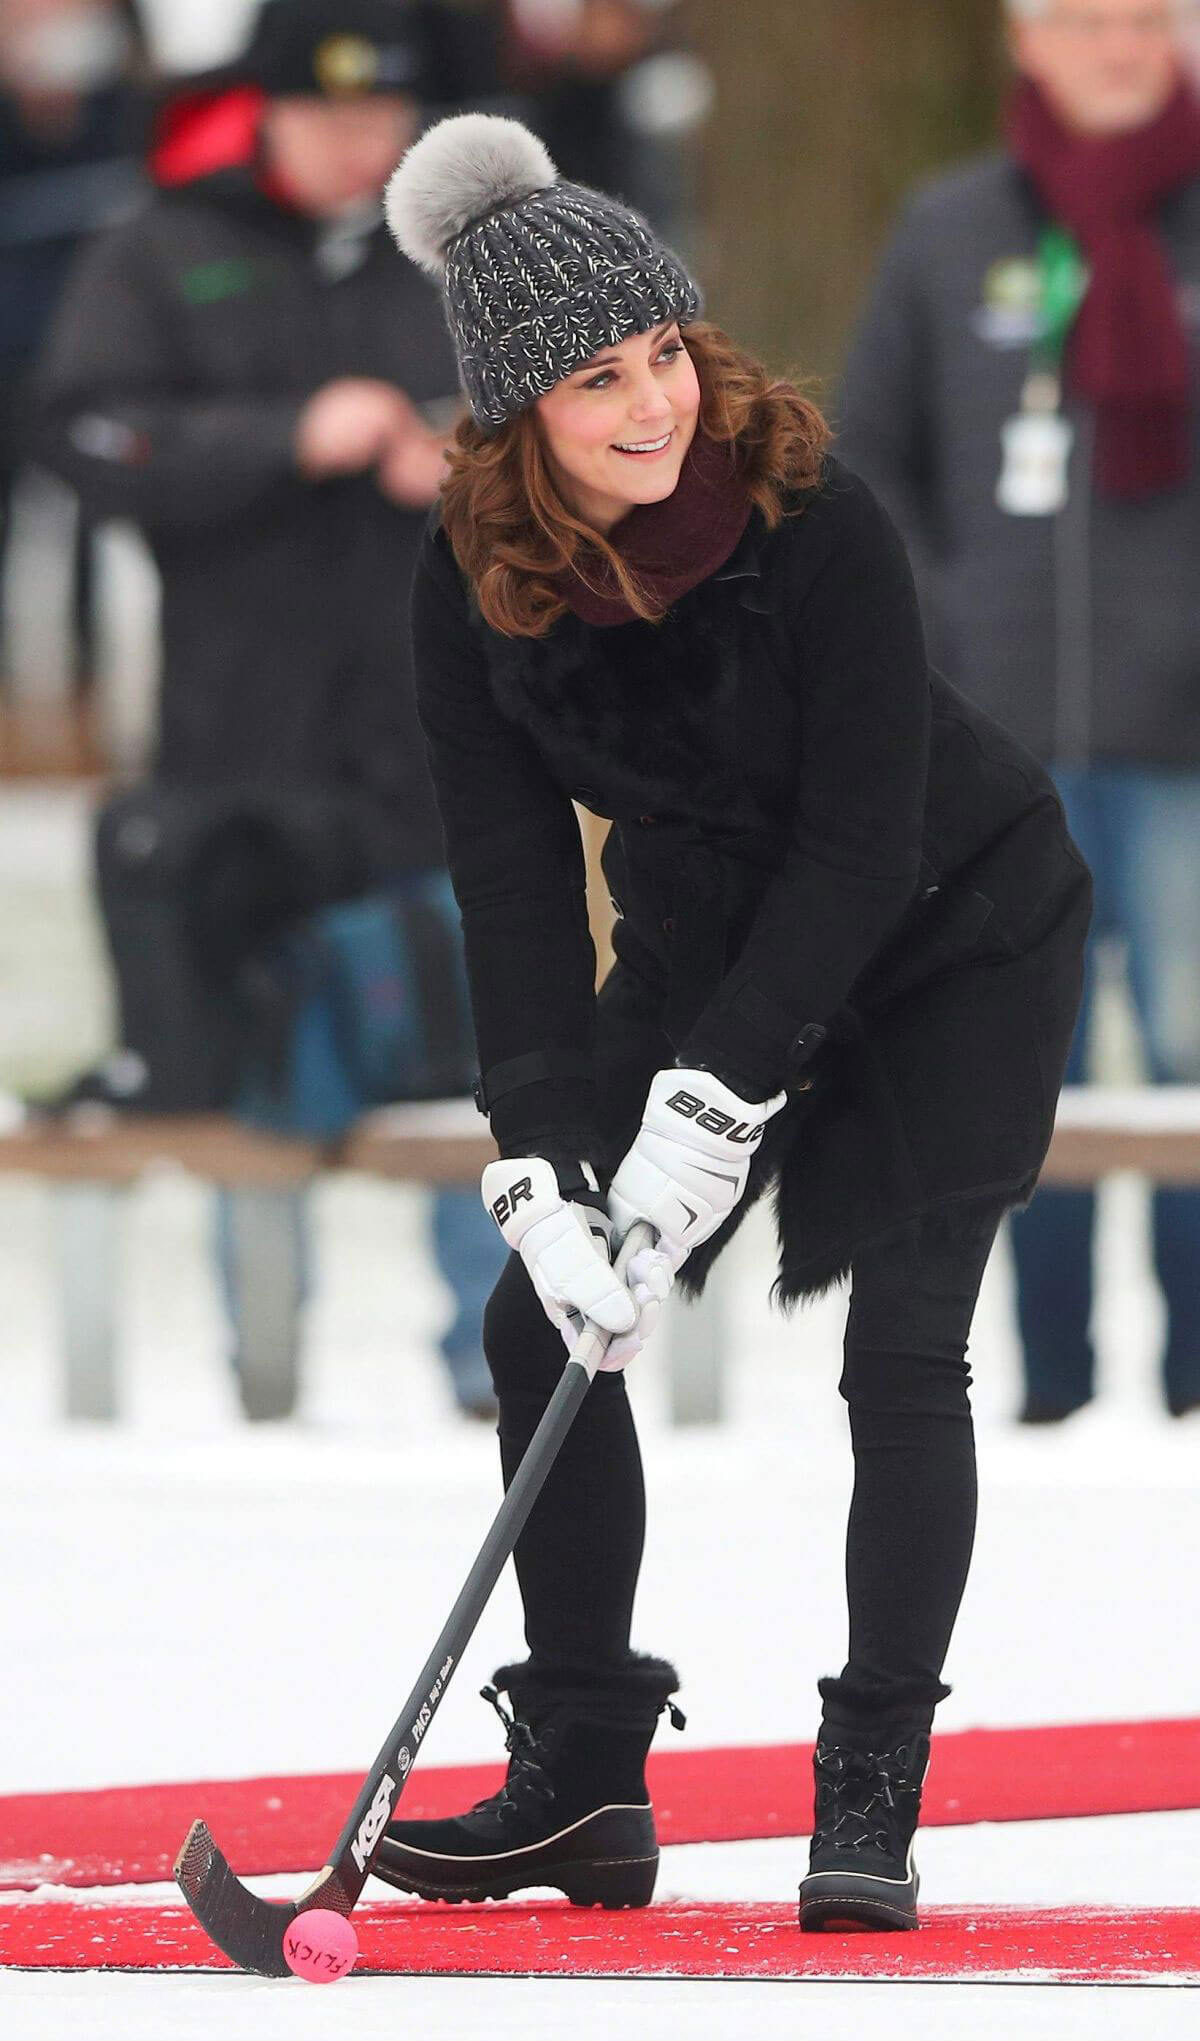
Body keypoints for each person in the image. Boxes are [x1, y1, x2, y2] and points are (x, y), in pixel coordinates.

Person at [365, 113, 1091, 1930]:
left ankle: (869, 1794)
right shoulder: (474, 582)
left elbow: (860, 846)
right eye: (601, 378)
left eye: (666, 351)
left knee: (903, 1354)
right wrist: (538, 1156)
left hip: (954, 921)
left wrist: (713, 1108)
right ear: (518, 408)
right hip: (708, 935)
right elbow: (514, 878)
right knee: (543, 1330)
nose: (655, 403)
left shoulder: (812, 516)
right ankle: (584, 1785)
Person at [33, 0, 506, 1421]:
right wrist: (285, 439)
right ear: (266, 115)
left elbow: (583, 444)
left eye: (385, 121)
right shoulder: (162, 248)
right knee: (262, 1057)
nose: (360, 146)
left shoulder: (466, 263)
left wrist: (467, 470)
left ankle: (491, 1362)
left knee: (474, 1062)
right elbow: (84, 434)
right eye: (331, 118)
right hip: (241, 754)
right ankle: (266, 1371)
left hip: (441, 749)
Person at [836, 0, 1200, 1424]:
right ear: (1024, 40)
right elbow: (869, 460)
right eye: (1084, 16)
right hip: (1000, 749)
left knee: (1185, 1061)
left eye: (1145, 16)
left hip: (1185, 747)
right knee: (1018, 1065)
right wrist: (951, 635)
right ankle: (1050, 1389)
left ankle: (1190, 1395)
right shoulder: (947, 229)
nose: (1116, 41)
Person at [0, 0, 147, 697]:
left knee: (90, 519)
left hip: (89, 350)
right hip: (8, 350)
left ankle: (85, 679)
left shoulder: (121, 111)